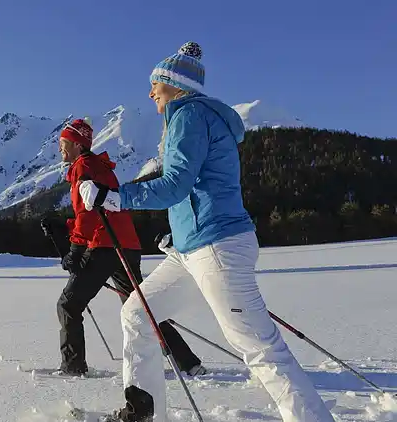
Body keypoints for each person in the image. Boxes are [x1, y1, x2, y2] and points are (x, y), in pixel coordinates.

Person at [79, 42, 335, 422]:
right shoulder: (195, 117)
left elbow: (175, 185)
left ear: (175, 85)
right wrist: (179, 234)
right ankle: (144, 412)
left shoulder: (189, 115)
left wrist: (114, 197)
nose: (151, 93)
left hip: (217, 246)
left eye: (156, 85)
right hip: (195, 247)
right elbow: (197, 187)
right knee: (137, 314)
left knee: (259, 347)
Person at [55, 117, 206, 379]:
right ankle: (187, 362)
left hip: (104, 245)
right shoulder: (100, 167)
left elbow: (88, 214)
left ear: (78, 145)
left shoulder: (83, 167)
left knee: (68, 305)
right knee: (141, 307)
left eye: (64, 143)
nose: (61, 149)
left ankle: (73, 368)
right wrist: (68, 231)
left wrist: (76, 249)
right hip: (125, 245)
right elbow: (98, 211)